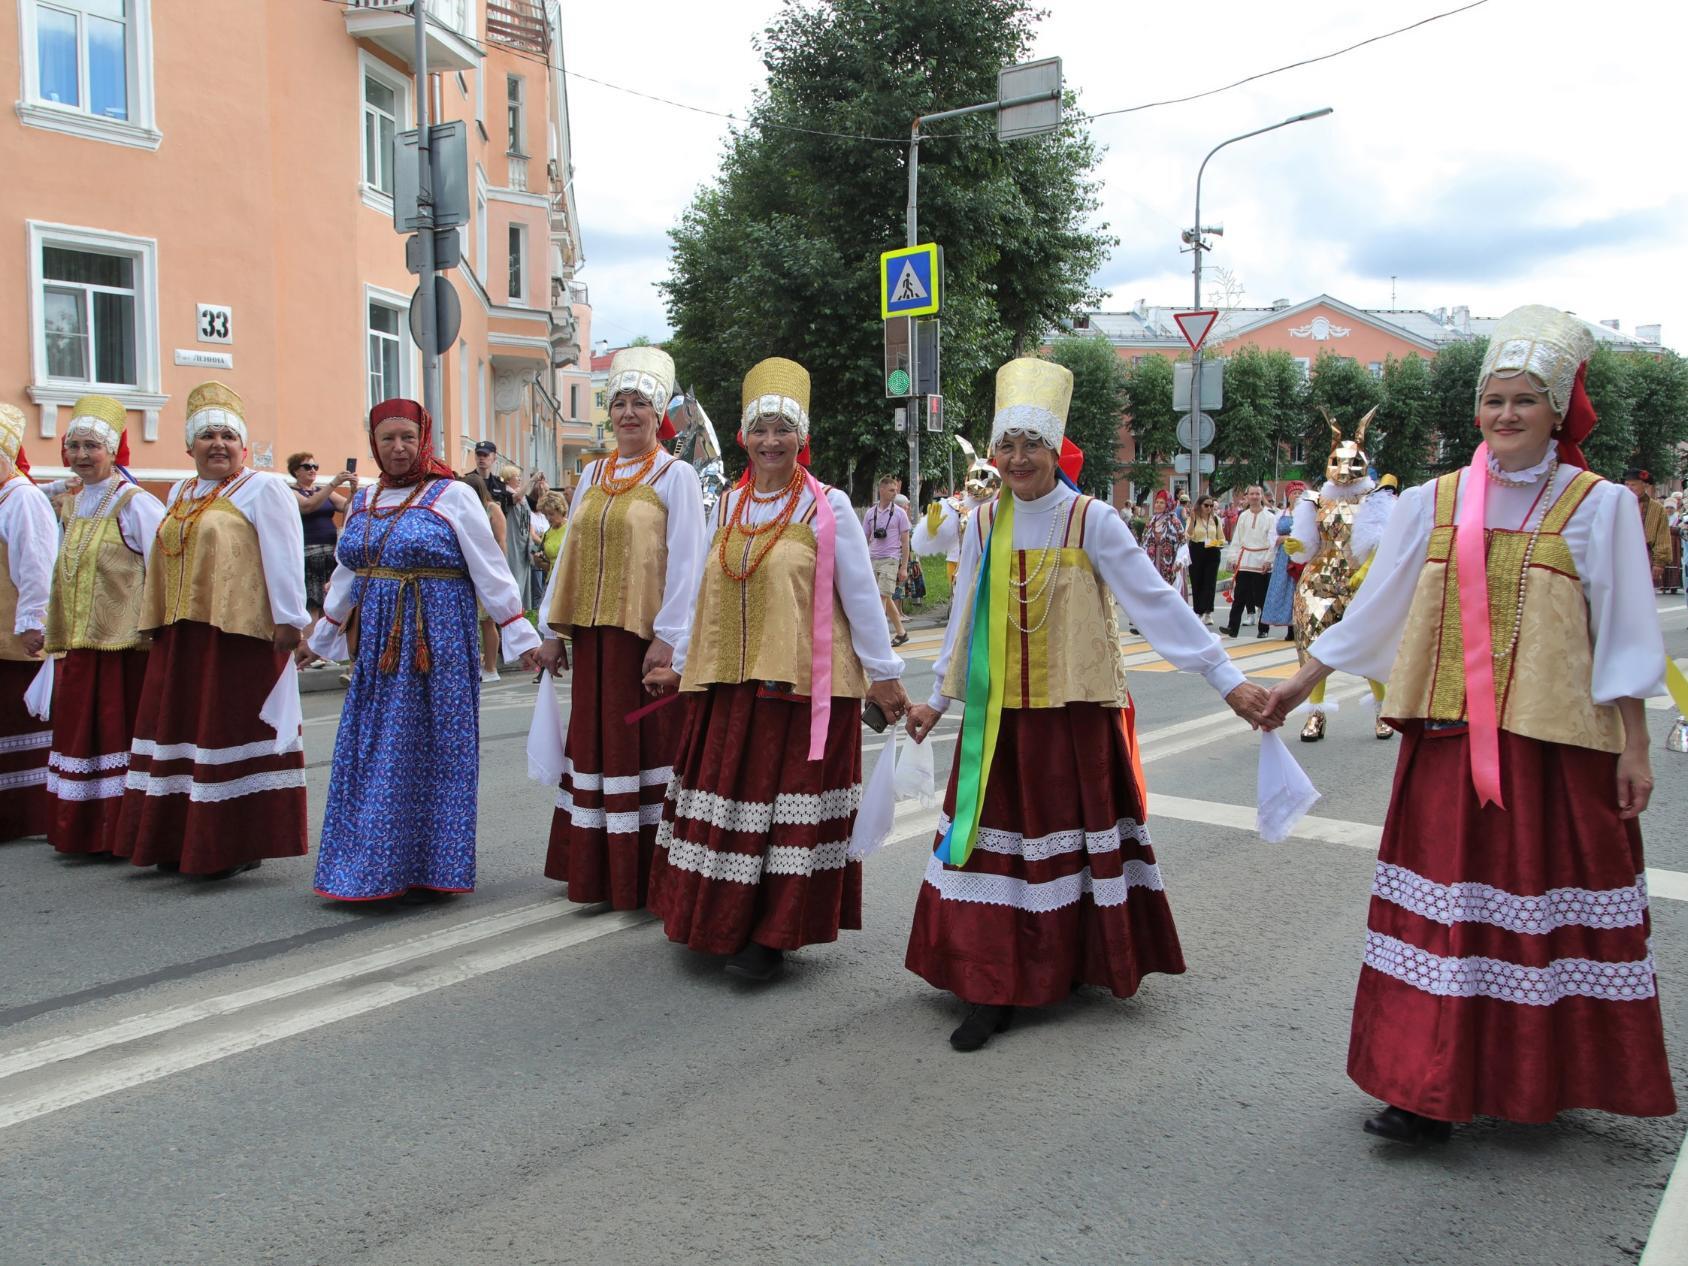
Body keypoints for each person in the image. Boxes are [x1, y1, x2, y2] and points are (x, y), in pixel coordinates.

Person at [1266, 304, 1673, 1143]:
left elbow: (1626, 631)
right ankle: (1423, 1087)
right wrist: (1298, 681)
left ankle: (1539, 1075)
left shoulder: (1598, 508)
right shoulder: (1435, 500)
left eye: (1525, 400)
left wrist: (1634, 746)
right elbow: (1374, 609)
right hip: (1450, 745)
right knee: (1445, 917)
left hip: (1554, 752)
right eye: (1494, 400)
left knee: (1535, 910)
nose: (1507, 415)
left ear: (1559, 410)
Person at [903, 358, 1271, 1051]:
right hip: (1001, 721)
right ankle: (992, 981)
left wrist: (1228, 679)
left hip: (1074, 717)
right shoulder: (983, 524)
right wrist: (934, 699)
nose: (1017, 459)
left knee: (1065, 851)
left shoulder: (1090, 519)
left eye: (1030, 445)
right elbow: (963, 618)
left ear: (1054, 451)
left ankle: (1064, 961)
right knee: (993, 853)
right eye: (1005, 445)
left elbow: (1156, 604)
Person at [646, 357, 910, 981]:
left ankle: (770, 936)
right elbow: (702, 598)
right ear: (743, 435)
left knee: (781, 813)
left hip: (802, 688)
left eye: (782, 429)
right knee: (731, 807)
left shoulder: (829, 505)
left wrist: (884, 671)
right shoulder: (730, 504)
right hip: (728, 688)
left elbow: (861, 595)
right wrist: (681, 663)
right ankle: (715, 921)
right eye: (760, 428)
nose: (770, 441)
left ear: (801, 436)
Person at [306, 399, 540, 903]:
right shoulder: (365, 502)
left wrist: (522, 637)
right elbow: (350, 571)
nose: (398, 448)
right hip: (378, 650)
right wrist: (322, 636)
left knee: (429, 753)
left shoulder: (452, 495)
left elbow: (490, 569)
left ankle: (432, 867)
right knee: (372, 752)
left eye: (407, 438)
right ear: (374, 443)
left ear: (423, 440)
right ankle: (369, 867)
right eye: (387, 438)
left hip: (439, 646)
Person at [112, 382, 309, 879]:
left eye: (227, 435)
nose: (217, 444)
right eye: (206, 436)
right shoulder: (180, 491)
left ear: (243, 445)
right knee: (179, 732)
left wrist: (289, 620)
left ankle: (233, 841)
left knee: (227, 730)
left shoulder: (263, 489)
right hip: (183, 634)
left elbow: (283, 556)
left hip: (237, 637)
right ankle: (176, 836)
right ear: (189, 446)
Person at [532, 347, 705, 910]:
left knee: (645, 743)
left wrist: (670, 636)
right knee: (595, 747)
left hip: (641, 639)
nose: (629, 414)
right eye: (622, 403)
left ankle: (647, 874)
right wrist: (552, 629)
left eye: (641, 405)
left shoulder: (674, 475)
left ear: (660, 416)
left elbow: (688, 559)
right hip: (594, 639)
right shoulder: (592, 473)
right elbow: (567, 558)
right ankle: (600, 869)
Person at [39, 397, 165, 856]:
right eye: (74, 446)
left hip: (124, 648)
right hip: (80, 644)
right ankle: (82, 829)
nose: (81, 455)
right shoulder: (71, 506)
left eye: (92, 446)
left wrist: (157, 631)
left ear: (112, 452)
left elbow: (161, 568)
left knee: (115, 735)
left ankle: (118, 829)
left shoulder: (136, 504)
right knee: (79, 735)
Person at [1286, 416, 1392, 742]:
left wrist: (1367, 569)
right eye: (1338, 461)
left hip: (1360, 580)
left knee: (1368, 644)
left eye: (1352, 461)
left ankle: (1382, 710)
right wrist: (1298, 545)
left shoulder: (1375, 497)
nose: (1345, 469)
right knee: (1314, 646)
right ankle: (1315, 715)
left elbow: (1382, 541)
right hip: (1318, 578)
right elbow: (1308, 545)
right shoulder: (1315, 500)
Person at [0, 402, 55, 843]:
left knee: (20, 722)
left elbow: (35, 566)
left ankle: (26, 814)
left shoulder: (23, 498)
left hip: (13, 635)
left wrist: (32, 622)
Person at [288, 451, 357, 659]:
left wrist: (353, 490)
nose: (312, 471)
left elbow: (346, 507)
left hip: (328, 550)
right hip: (308, 551)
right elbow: (308, 506)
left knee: (326, 600)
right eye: (307, 467)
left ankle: (322, 647)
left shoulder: (322, 490)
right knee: (311, 601)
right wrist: (334, 483)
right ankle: (309, 645)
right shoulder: (289, 491)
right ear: (295, 471)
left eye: (315, 467)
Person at [462, 470, 505, 681]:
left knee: (488, 621)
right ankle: (476, 665)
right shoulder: (464, 509)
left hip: (487, 570)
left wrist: (500, 571)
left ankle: (491, 667)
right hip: (467, 571)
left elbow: (501, 540)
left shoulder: (491, 508)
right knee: (470, 620)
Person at [864, 474, 912, 646]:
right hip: (873, 558)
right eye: (891, 490)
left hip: (891, 560)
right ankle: (901, 633)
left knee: (881, 597)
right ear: (881, 490)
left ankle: (878, 639)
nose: (894, 493)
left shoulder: (900, 514)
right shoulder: (870, 513)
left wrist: (904, 567)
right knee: (886, 597)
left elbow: (906, 542)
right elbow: (864, 538)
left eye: (896, 490)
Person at [1223, 485, 1275, 637]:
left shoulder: (1270, 517)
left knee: (1262, 597)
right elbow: (1237, 539)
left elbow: (1273, 542)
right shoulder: (1243, 516)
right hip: (1245, 560)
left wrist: (1269, 560)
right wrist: (1233, 558)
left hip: (1261, 560)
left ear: (1261, 496)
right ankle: (1232, 627)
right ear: (1247, 496)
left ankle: (1263, 629)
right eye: (1251, 494)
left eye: (1257, 494)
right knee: (1240, 596)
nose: (1254, 496)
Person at [1624, 468, 1672, 589]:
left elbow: (1662, 536)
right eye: (1627, 484)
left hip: (1645, 557)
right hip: (1621, 555)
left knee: (1641, 594)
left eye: (1633, 484)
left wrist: (1659, 563)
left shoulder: (1657, 508)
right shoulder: (1618, 504)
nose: (1629, 488)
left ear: (1645, 485)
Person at [498, 463, 534, 616]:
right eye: (516, 477)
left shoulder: (521, 495)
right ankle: (513, 615)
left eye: (520, 476)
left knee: (524, 583)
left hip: (523, 544)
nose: (519, 479)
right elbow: (518, 497)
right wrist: (532, 480)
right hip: (513, 543)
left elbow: (525, 496)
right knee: (515, 581)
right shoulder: (507, 494)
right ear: (507, 479)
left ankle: (522, 615)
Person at [1185, 493, 1225, 623]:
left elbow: (1222, 539)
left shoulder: (1216, 519)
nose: (1209, 508)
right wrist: (1191, 520)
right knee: (1197, 581)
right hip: (1197, 550)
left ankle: (1208, 612)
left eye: (1211, 506)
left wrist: (1213, 543)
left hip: (1212, 551)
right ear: (1200, 506)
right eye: (1206, 505)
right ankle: (1198, 611)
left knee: (1210, 582)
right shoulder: (1193, 518)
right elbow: (1188, 535)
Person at [1141, 491, 1188, 599]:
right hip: (1152, 563)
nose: (1158, 505)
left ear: (1168, 504)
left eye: (1162, 502)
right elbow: (1144, 542)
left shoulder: (1174, 522)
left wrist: (1179, 561)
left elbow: (1182, 543)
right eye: (1157, 502)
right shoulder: (1151, 522)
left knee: (1168, 593)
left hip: (1169, 563)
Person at [472, 440, 513, 511]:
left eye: (485, 455)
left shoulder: (499, 484)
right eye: (479, 454)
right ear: (475, 456)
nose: (481, 458)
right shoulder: (468, 481)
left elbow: (504, 508)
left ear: (494, 457)